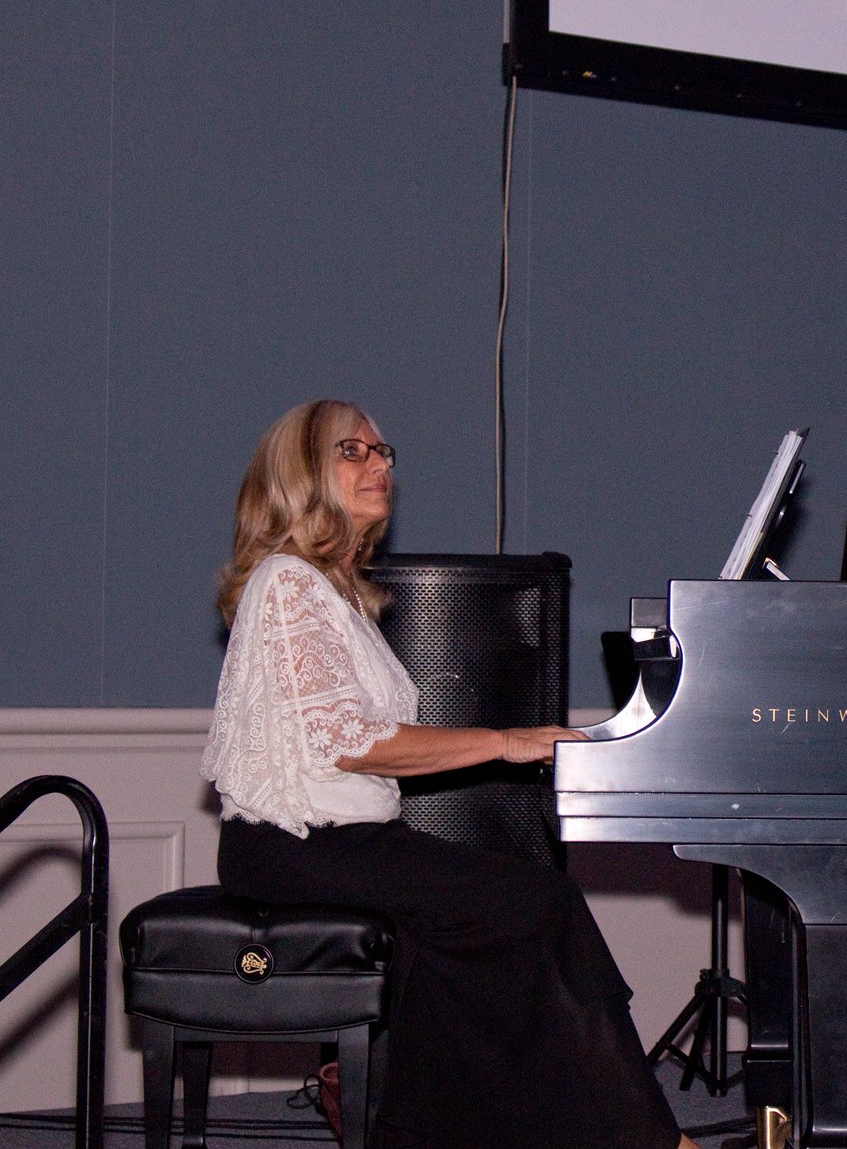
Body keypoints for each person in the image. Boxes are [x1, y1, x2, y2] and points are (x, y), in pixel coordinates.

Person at [201, 399, 693, 1149]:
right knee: (539, 900)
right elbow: (349, 739)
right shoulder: (289, 581)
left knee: (473, 934)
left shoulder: (331, 593)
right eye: (353, 451)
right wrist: (507, 740)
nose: (381, 463)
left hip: (344, 841)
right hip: (295, 844)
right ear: (303, 475)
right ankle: (654, 1141)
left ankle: (417, 1128)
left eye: (383, 449)